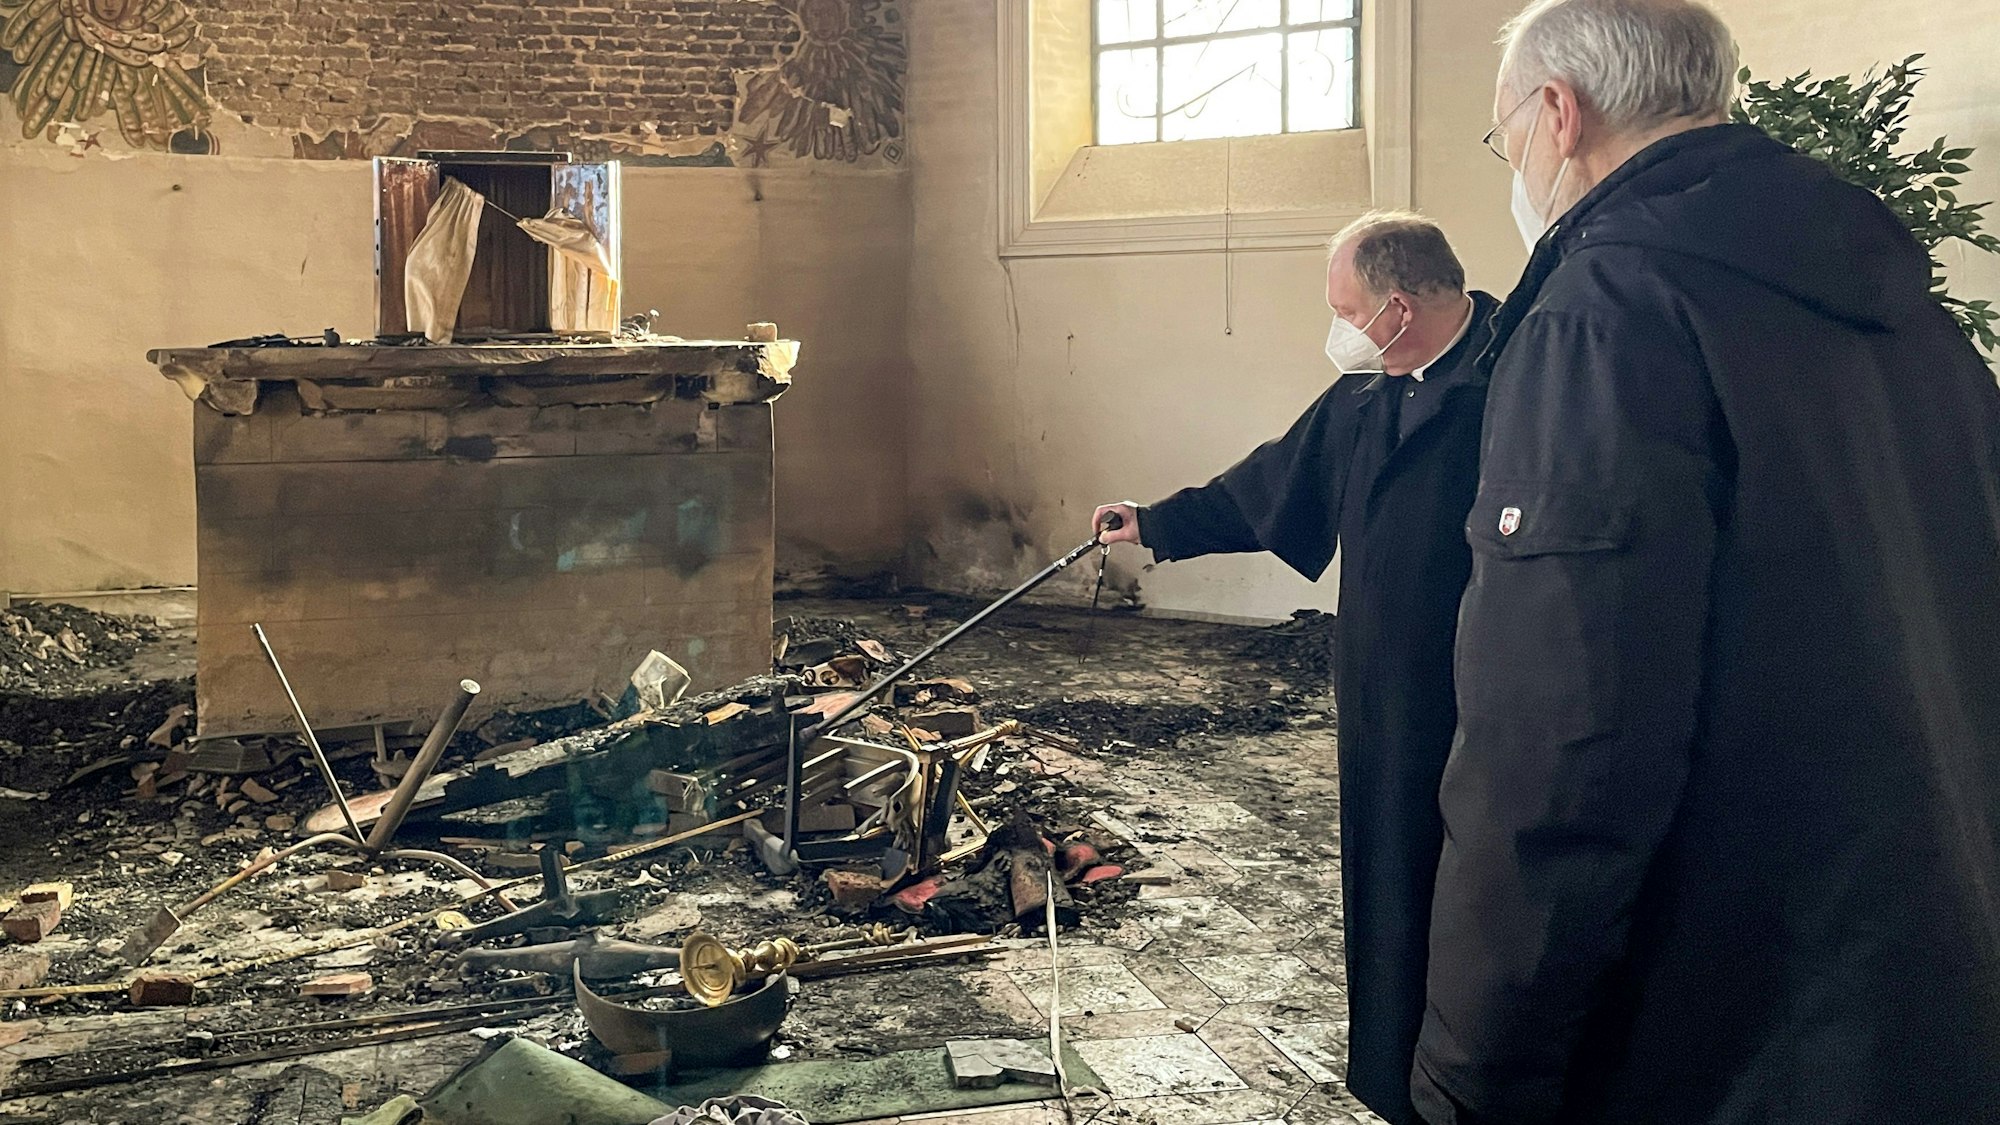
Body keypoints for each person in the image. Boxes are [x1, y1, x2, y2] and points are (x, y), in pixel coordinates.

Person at [1414, 1, 2000, 1122]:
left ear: (1557, 111)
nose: (1517, 164)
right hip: (1922, 974)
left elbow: (1561, 741)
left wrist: (1469, 1073)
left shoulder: (1605, 312)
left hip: (1727, 1012)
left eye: (1505, 137)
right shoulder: (1902, 310)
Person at [1093, 212, 1498, 1125]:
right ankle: (1396, 1083)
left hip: (1487, 695)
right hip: (1382, 697)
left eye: (1345, 307)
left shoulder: (1511, 375)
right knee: (1390, 883)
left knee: (1480, 897)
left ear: (1396, 308)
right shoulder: (1363, 393)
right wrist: (1154, 520)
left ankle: (1475, 1088)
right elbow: (1272, 483)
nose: (1337, 326)